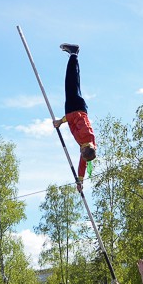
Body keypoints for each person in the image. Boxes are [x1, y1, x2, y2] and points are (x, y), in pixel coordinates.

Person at [53, 43, 96, 192]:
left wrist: (80, 181)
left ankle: (74, 55)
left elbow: (83, 164)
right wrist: (60, 121)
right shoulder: (86, 136)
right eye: (82, 154)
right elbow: (77, 116)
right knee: (71, 80)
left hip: (73, 107)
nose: (80, 154)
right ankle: (74, 54)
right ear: (85, 149)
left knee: (72, 81)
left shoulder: (88, 148)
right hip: (76, 107)